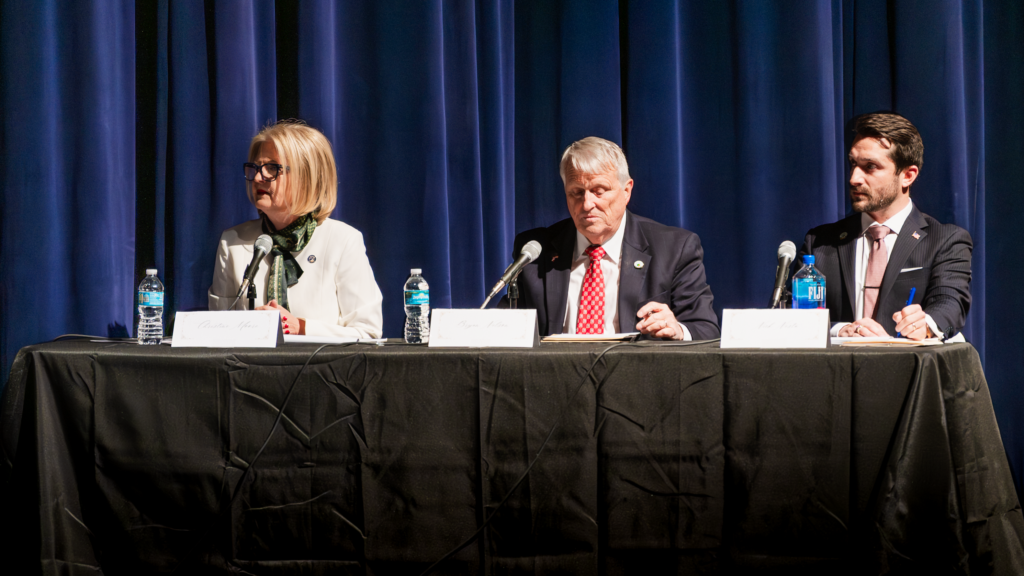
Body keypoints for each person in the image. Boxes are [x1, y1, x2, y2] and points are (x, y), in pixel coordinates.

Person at [506, 136, 719, 340]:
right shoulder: (535, 251)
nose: (587, 204)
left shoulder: (674, 249)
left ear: (626, 191)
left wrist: (678, 329)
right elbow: (504, 328)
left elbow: (705, 329)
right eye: (576, 192)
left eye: (599, 191)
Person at [799, 112, 972, 340]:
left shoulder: (945, 240)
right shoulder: (820, 242)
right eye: (853, 164)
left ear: (908, 176)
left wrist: (925, 325)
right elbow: (794, 317)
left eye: (870, 166)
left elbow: (950, 303)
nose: (854, 178)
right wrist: (839, 330)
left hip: (909, 372)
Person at [208, 120, 383, 338]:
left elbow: (368, 333)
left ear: (306, 177)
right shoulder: (232, 243)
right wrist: (250, 327)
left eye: (272, 168)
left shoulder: (343, 241)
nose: (259, 177)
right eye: (255, 167)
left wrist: (301, 327)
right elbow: (214, 334)